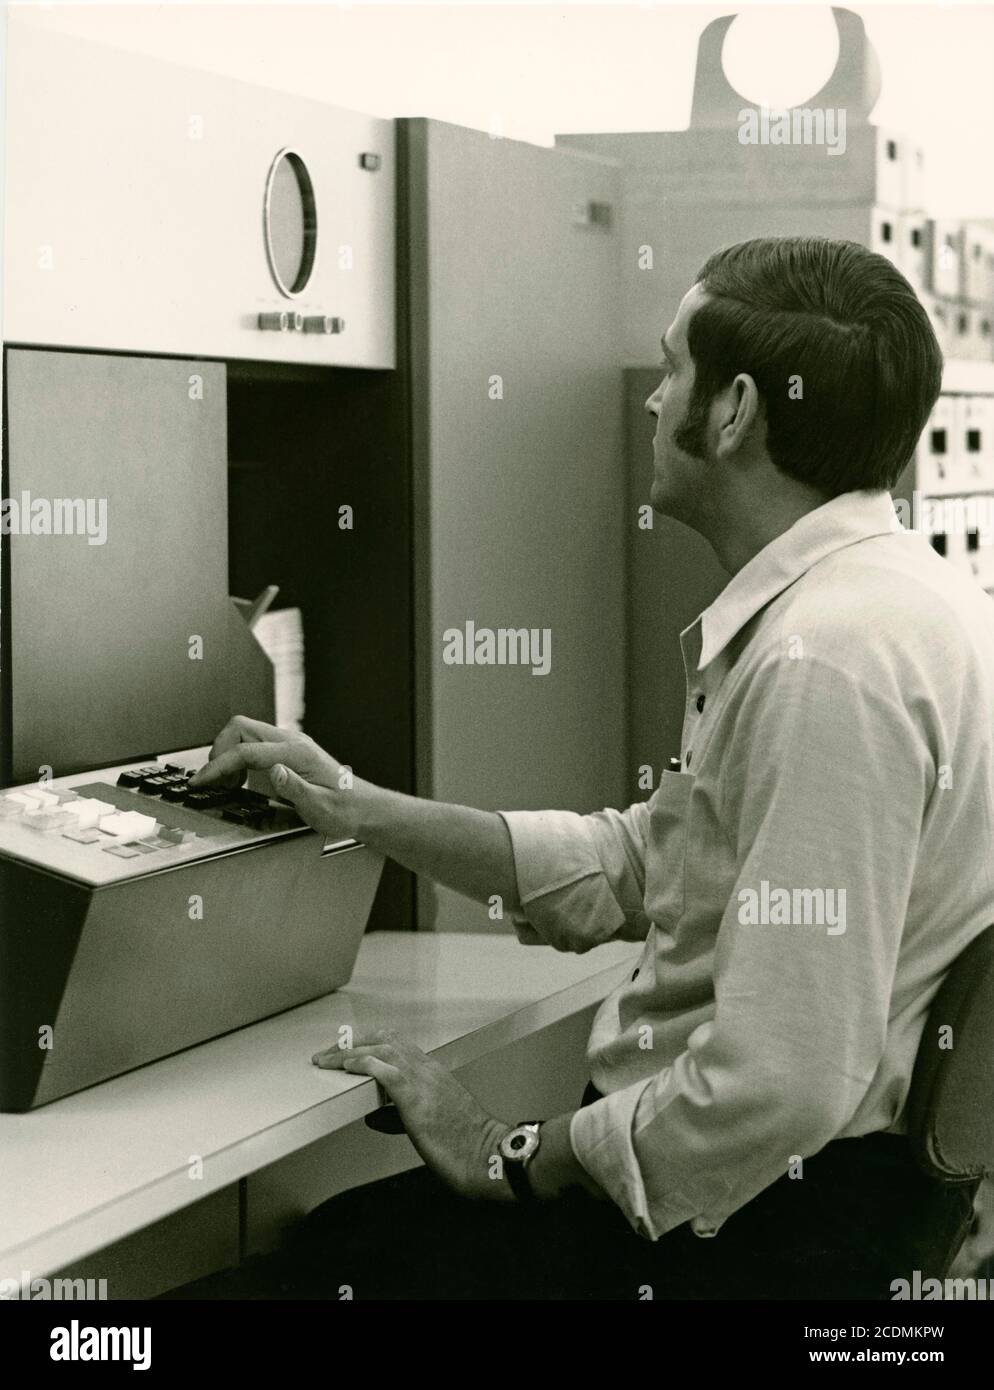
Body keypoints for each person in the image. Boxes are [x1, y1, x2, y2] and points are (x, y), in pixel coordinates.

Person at [177, 237, 992, 1300]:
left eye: (670, 371)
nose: (652, 404)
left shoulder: (825, 664)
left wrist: (511, 1154)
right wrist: (357, 805)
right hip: (791, 1210)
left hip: (753, 1242)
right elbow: (639, 866)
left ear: (736, 409)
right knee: (343, 1239)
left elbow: (782, 1084)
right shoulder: (890, 609)